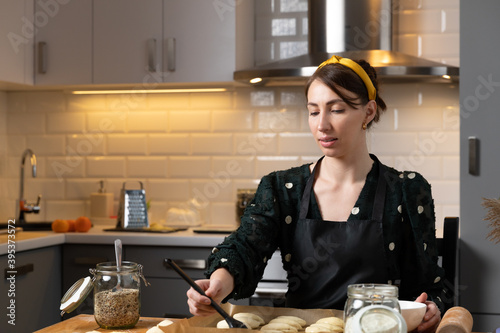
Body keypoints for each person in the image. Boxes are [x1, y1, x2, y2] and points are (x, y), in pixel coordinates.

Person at [186, 55, 447, 332]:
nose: (322, 125)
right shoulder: (283, 188)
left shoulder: (406, 190)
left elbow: (429, 285)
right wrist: (218, 283)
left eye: (336, 110)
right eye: (313, 111)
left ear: (368, 112)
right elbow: (244, 248)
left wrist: (431, 309)